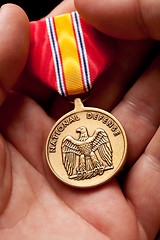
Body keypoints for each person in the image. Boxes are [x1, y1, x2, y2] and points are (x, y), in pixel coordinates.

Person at [0, 0, 159, 239]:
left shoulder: (94, 135)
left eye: (83, 133)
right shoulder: (70, 141)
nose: (82, 133)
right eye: (82, 133)